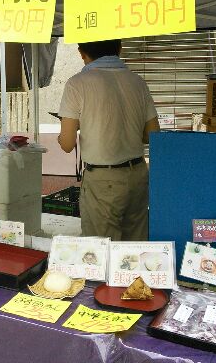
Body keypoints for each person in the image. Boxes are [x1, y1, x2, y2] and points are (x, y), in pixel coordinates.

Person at [57, 39, 159, 241]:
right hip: (137, 175)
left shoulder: (77, 84)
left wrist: (65, 133)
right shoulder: (138, 82)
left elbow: (67, 144)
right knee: (135, 248)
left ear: (81, 52)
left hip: (103, 181)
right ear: (119, 48)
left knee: (102, 249)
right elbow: (152, 135)